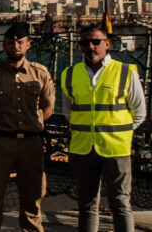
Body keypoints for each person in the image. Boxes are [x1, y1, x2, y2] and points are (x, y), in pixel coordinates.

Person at [62, 24, 145, 232]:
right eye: (85, 43)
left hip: (116, 149)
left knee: (120, 203)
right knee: (87, 205)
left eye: (96, 41)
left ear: (107, 44)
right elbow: (68, 111)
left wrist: (119, 132)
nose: (90, 46)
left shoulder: (125, 72)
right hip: (83, 149)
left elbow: (139, 112)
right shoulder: (70, 74)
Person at [0, 23, 55, 232]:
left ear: (28, 45)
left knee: (32, 195)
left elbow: (47, 107)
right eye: (11, 43)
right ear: (4, 45)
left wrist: (33, 124)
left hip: (30, 143)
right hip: (0, 143)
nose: (15, 46)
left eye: (20, 42)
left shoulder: (39, 73)